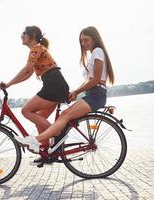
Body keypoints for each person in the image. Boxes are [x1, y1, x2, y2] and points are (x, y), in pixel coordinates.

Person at [14, 26, 115, 155]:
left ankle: (37, 140)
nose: (83, 44)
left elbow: (95, 80)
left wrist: (77, 92)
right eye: (81, 41)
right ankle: (46, 147)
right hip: (92, 94)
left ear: (94, 38)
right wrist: (75, 92)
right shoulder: (94, 54)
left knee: (65, 116)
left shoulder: (98, 51)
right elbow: (89, 81)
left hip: (96, 94)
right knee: (61, 116)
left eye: (86, 40)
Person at [0, 25, 69, 161]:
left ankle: (57, 133)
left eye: (24, 33)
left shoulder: (36, 48)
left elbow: (26, 69)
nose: (22, 35)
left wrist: (8, 84)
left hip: (53, 85)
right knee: (40, 119)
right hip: (54, 84)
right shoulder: (36, 50)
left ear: (33, 34)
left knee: (26, 111)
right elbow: (28, 73)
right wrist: (10, 85)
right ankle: (47, 151)